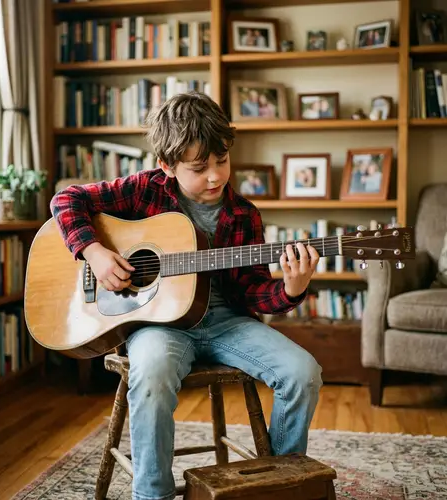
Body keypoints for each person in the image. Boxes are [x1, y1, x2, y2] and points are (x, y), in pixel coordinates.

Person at [50, 91, 323, 500]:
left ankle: (280, 483)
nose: (215, 176)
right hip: (159, 325)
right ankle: (152, 495)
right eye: (199, 168)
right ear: (167, 165)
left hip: (227, 322)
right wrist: (96, 252)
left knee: (303, 372)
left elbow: (253, 290)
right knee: (152, 374)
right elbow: (66, 199)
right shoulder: (144, 190)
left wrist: (292, 288)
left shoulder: (243, 214)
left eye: (222, 162)